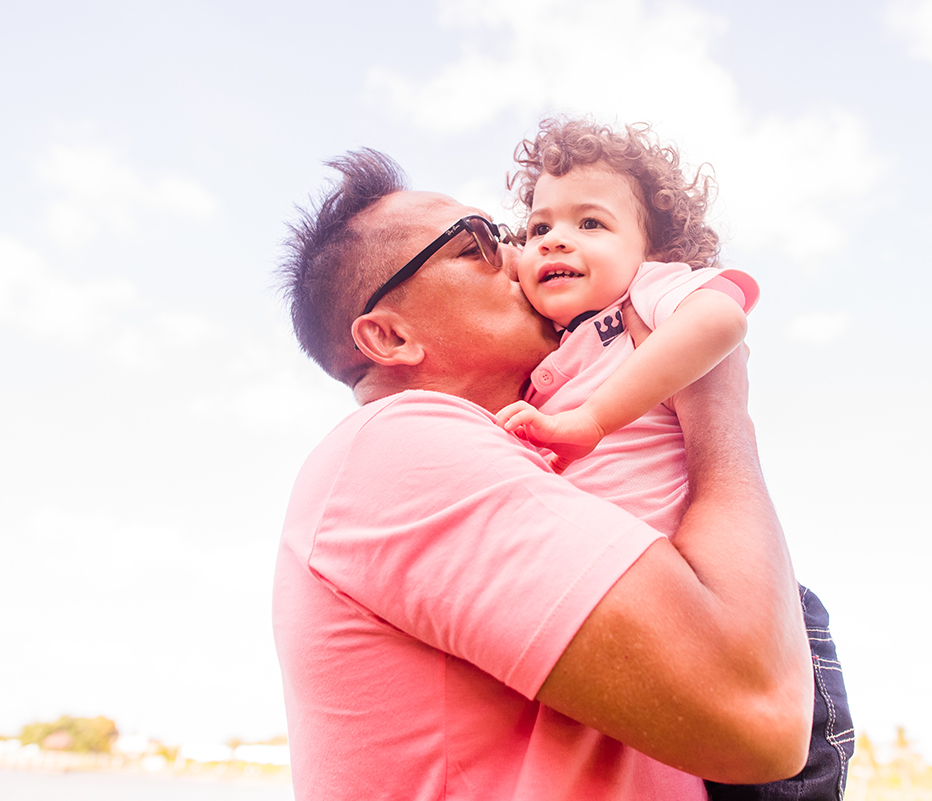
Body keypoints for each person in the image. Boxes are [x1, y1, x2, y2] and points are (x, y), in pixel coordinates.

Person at [273, 147, 812, 800]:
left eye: (510, 233)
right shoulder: (397, 445)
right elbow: (764, 716)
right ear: (388, 338)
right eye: (478, 241)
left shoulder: (512, 458)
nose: (522, 254)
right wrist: (714, 399)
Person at [495, 118, 855, 801]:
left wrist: (593, 419)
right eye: (538, 229)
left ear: (651, 249)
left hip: (751, 610)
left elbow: (721, 323)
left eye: (592, 223)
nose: (556, 239)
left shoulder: (651, 293)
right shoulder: (550, 358)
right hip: (664, 616)